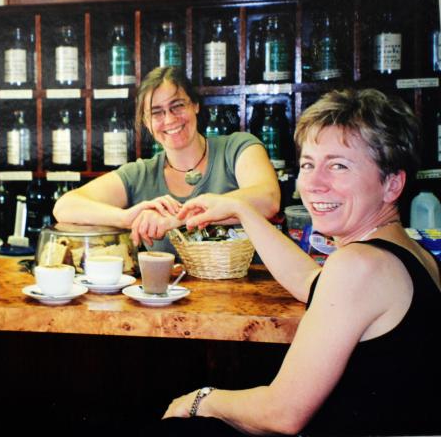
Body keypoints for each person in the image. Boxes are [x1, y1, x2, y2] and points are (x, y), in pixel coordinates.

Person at [162, 89, 441, 435]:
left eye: (338, 166)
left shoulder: (359, 265)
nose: (313, 183)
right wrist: (241, 210)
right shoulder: (413, 255)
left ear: (392, 184)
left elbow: (282, 414)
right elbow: (311, 280)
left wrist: (200, 401)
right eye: (308, 164)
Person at [53, 66, 280, 252]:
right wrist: (127, 218)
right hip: (170, 294)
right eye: (156, 112)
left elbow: (268, 199)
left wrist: (177, 219)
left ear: (195, 105)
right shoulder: (140, 175)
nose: (169, 119)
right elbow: (65, 207)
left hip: (248, 292)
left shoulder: (238, 148)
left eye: (177, 106)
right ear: (146, 122)